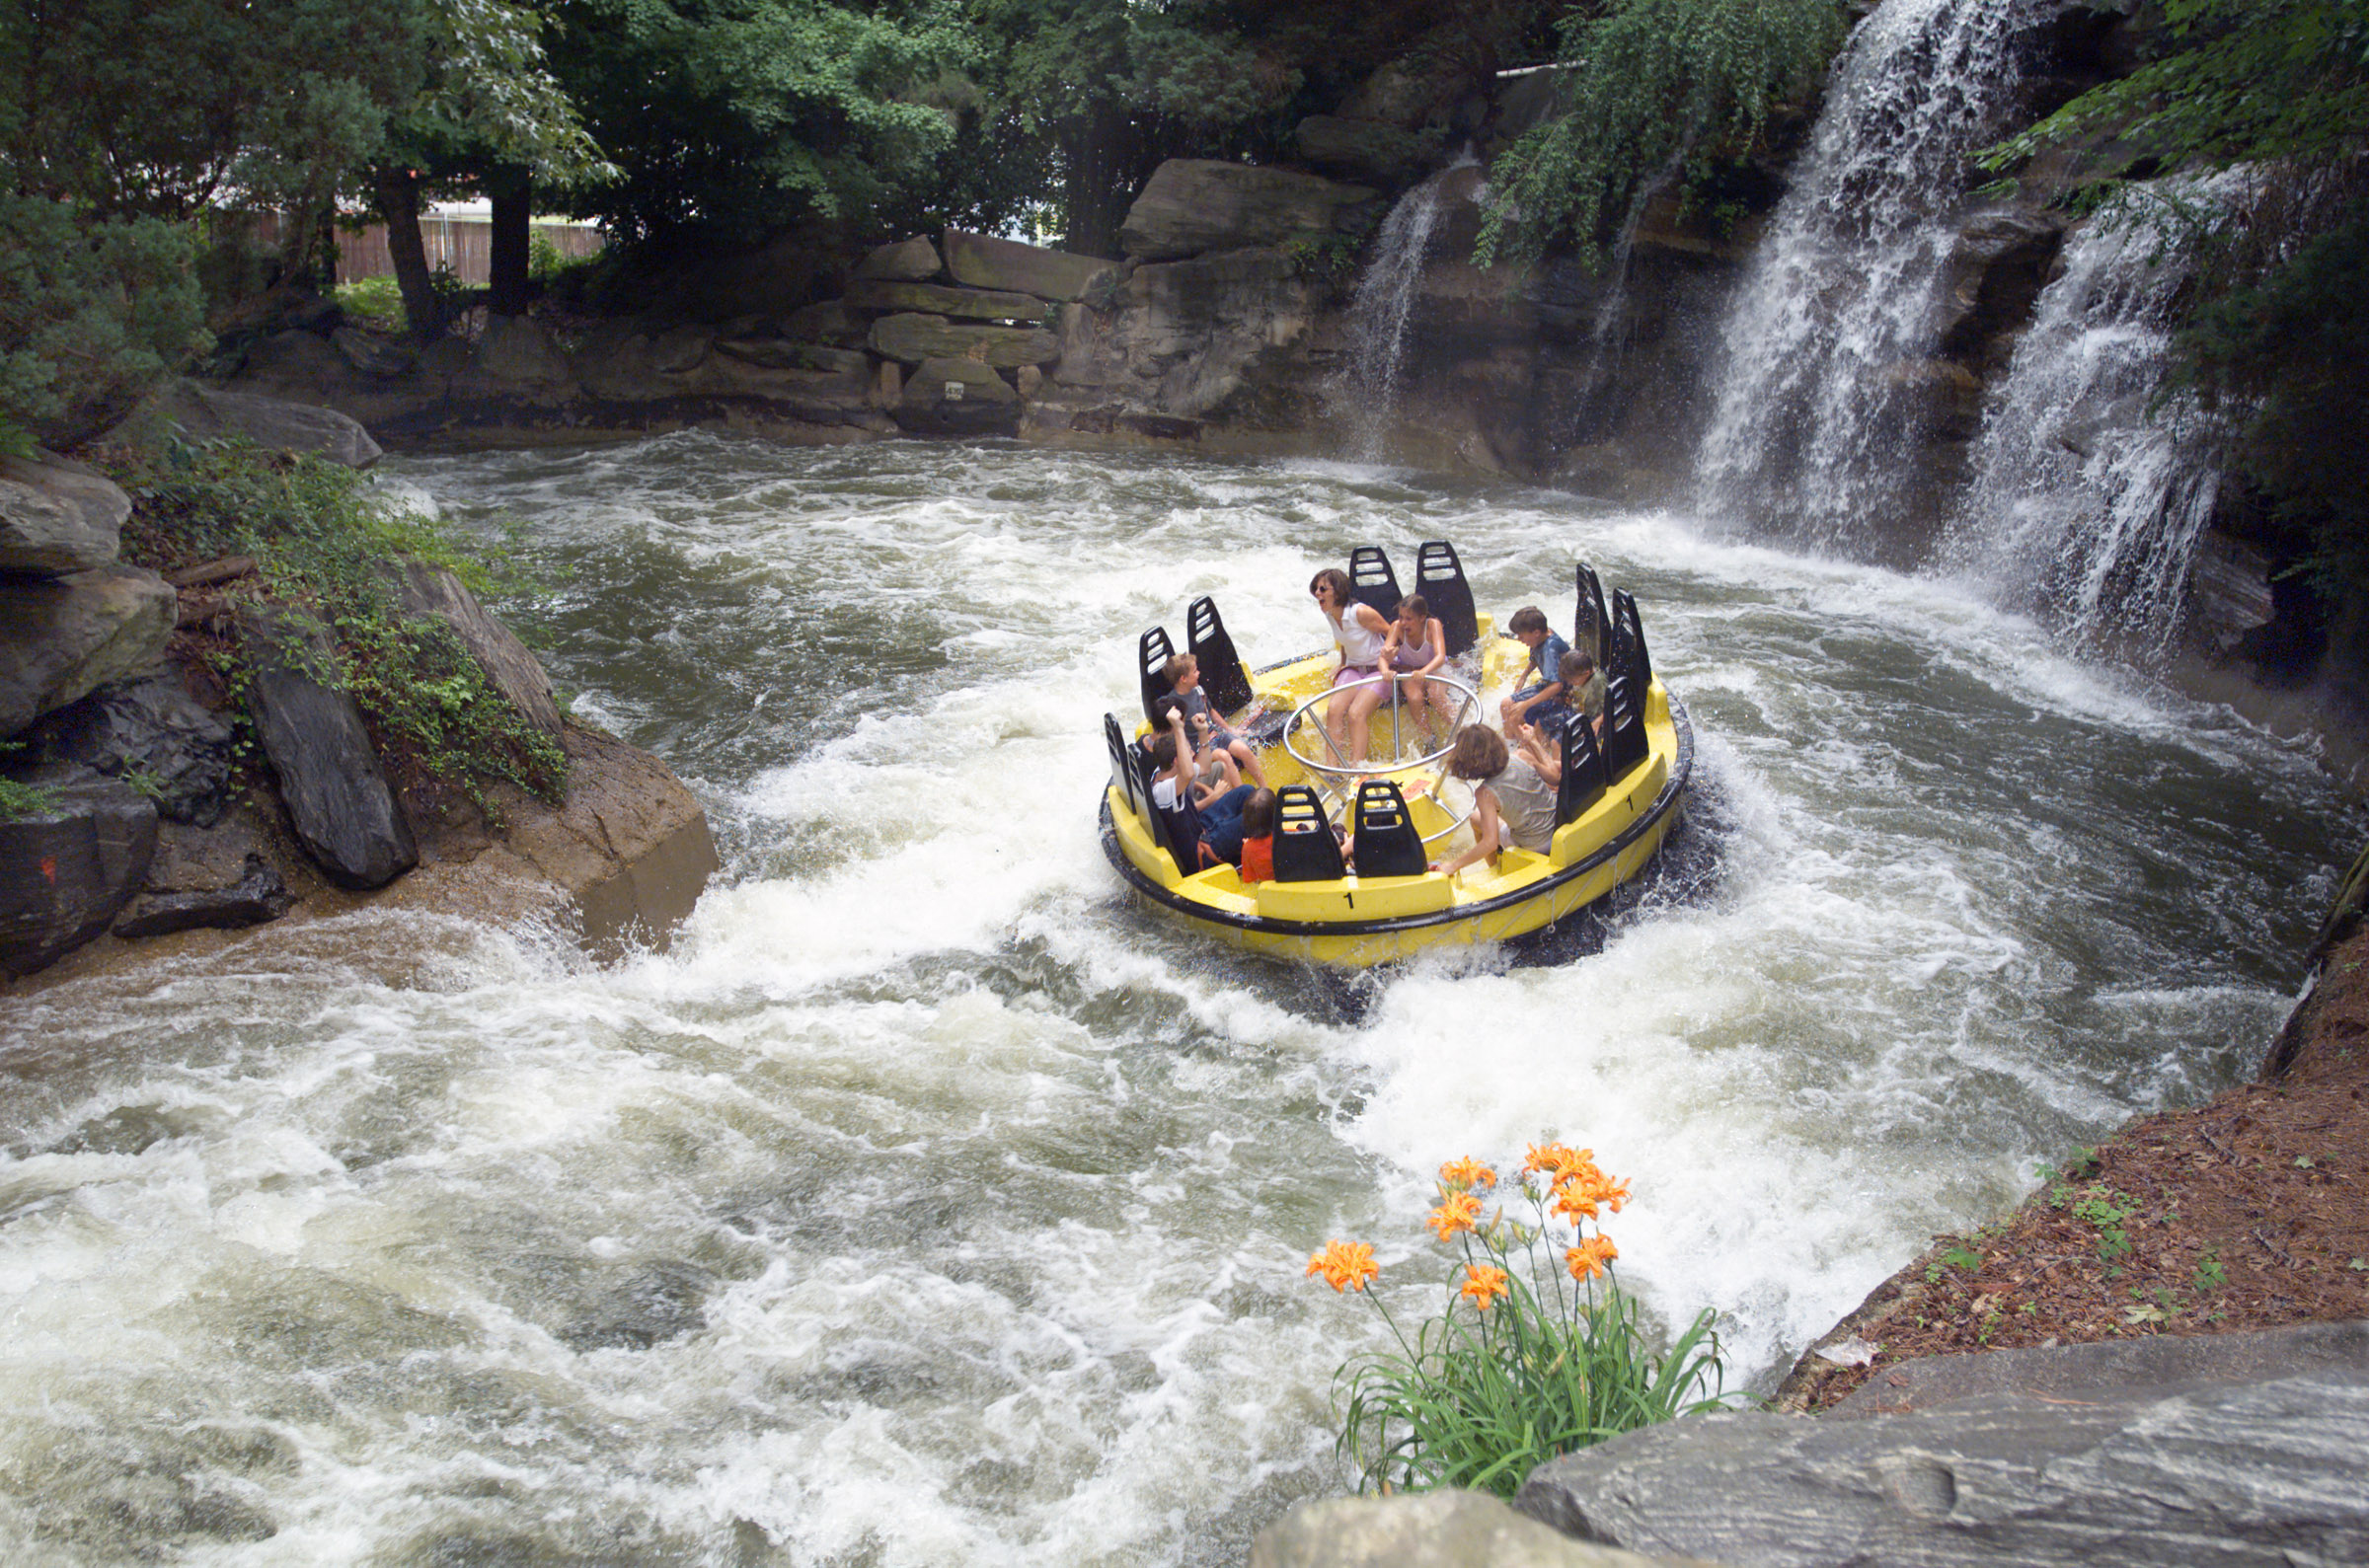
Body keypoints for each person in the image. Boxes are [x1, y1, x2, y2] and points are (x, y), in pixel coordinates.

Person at [1430, 725, 1560, 876]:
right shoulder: (1521, 756)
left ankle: (1495, 870)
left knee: (1475, 818)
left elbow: (1490, 843)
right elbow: (1555, 777)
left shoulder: (1485, 794)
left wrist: (1453, 866)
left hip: (1536, 845)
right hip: (1556, 824)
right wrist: (1533, 742)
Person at [1150, 707, 1255, 866]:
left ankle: (1247, 841)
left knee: (1246, 792)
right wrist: (1178, 729)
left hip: (1202, 826)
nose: (1192, 752)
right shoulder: (1163, 791)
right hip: (1202, 850)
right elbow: (1187, 774)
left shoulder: (1164, 770)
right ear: (1177, 762)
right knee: (1256, 815)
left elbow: (1204, 767)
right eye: (1187, 750)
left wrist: (1203, 731)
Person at [1311, 567, 1392, 766]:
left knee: (1356, 713)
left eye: (1322, 589)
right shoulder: (1330, 614)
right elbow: (1345, 641)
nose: (1317, 594)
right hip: (1354, 669)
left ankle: (1357, 768)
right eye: (1315, 589)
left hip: (1377, 670)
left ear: (1337, 592)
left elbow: (1391, 630)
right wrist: (1342, 664)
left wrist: (1387, 658)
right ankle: (1333, 769)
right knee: (1334, 709)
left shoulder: (1361, 612)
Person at [1162, 651, 1269, 788]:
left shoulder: (1198, 690)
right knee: (1224, 756)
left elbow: (1211, 712)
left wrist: (1230, 730)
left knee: (1243, 749)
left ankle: (1265, 789)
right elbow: (1173, 734)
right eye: (1195, 671)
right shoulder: (1174, 704)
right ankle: (1243, 796)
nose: (1199, 673)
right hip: (1199, 747)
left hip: (1216, 735)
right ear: (1183, 679)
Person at [1380, 592, 1455, 746]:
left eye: (1408, 619)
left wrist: (1424, 671)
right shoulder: (1396, 627)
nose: (1403, 623)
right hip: (1410, 673)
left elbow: (1440, 657)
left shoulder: (1433, 625)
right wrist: (1384, 670)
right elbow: (1383, 656)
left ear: (1422, 618)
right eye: (1401, 617)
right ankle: (1429, 739)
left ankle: (1461, 728)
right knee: (1414, 697)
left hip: (1435, 669)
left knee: (1435, 694)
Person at [1498, 606, 1570, 738]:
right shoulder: (1542, 637)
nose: (1519, 639)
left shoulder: (1550, 649)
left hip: (1561, 695)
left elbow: (1557, 686)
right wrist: (1524, 676)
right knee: (1508, 705)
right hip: (1550, 686)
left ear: (1536, 632)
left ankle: (1518, 745)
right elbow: (1536, 657)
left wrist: (1526, 705)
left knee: (1509, 706)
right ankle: (1513, 742)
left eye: (1522, 636)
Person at [1562, 648, 1606, 739]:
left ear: (1586, 673)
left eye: (1572, 680)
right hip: (1579, 714)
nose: (1570, 683)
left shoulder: (1598, 681)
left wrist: (1598, 721)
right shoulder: (1580, 678)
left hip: (1594, 718)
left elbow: (1611, 705)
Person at [1236, 789, 1278, 883]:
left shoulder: (1248, 849)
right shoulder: (1289, 835)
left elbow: (1250, 880)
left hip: (1270, 892)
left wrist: (1249, 846)